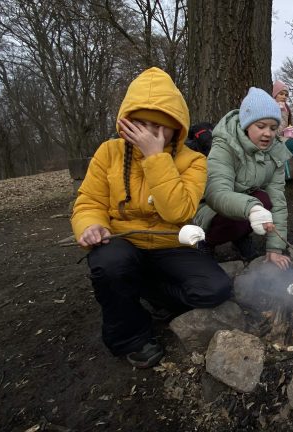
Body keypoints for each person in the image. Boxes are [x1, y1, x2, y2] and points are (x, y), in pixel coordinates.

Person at [71, 67, 232, 368]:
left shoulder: (193, 160)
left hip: (169, 242)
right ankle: (132, 338)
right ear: (126, 122)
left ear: (176, 128)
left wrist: (156, 158)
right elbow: (89, 201)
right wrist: (91, 225)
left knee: (216, 289)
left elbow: (179, 212)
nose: (148, 134)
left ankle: (149, 290)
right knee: (109, 265)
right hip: (122, 241)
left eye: (159, 128)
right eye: (141, 124)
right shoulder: (108, 153)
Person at [193, 87, 293, 270]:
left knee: (266, 200)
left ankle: (239, 236)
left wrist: (275, 248)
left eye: (273, 127)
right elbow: (217, 193)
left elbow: (278, 200)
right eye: (261, 126)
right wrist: (252, 208)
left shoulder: (275, 152)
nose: (268, 134)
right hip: (209, 208)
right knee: (257, 202)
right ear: (247, 125)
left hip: (245, 206)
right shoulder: (224, 145)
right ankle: (206, 242)